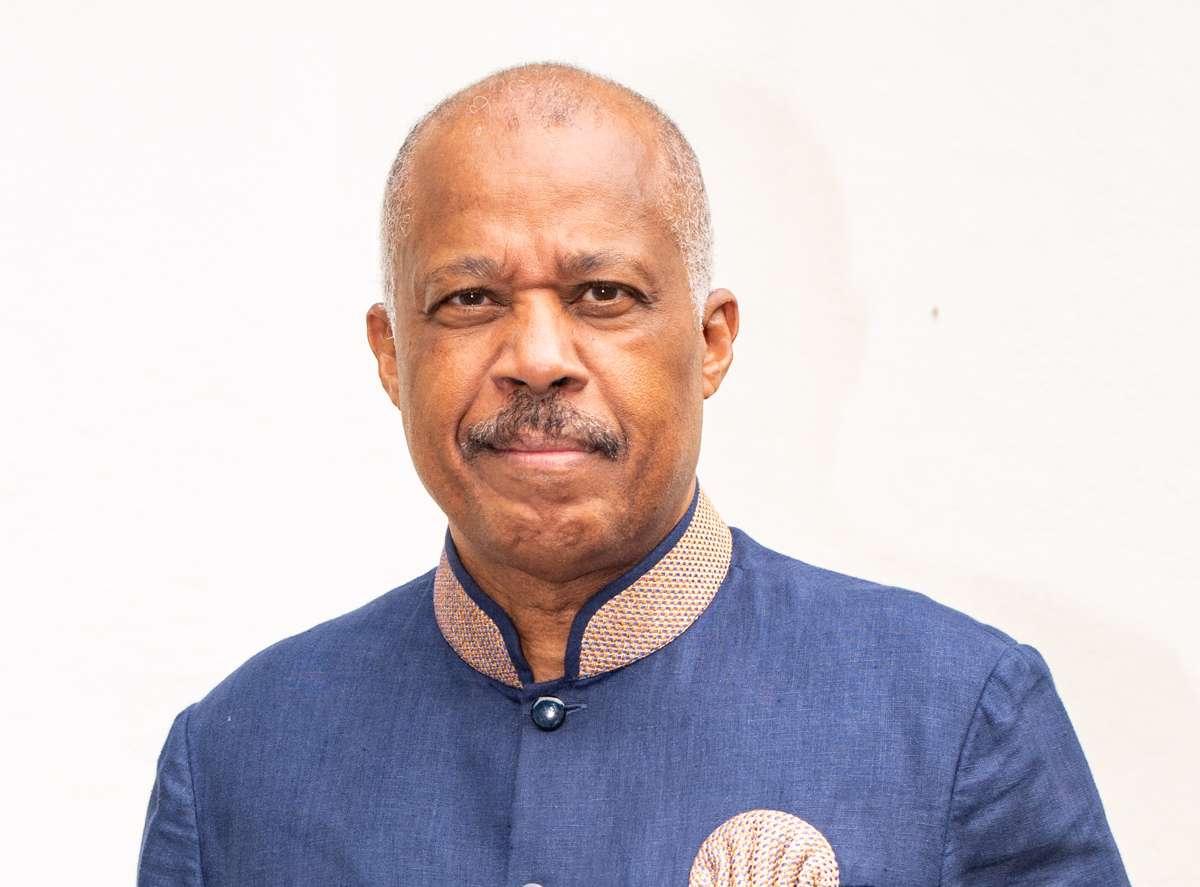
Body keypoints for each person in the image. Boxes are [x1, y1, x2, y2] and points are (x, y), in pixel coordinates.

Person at [137, 63, 1130, 887]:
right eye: (471, 298)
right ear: (392, 354)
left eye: (602, 293)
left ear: (710, 340)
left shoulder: (954, 721)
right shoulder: (238, 762)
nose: (537, 357)